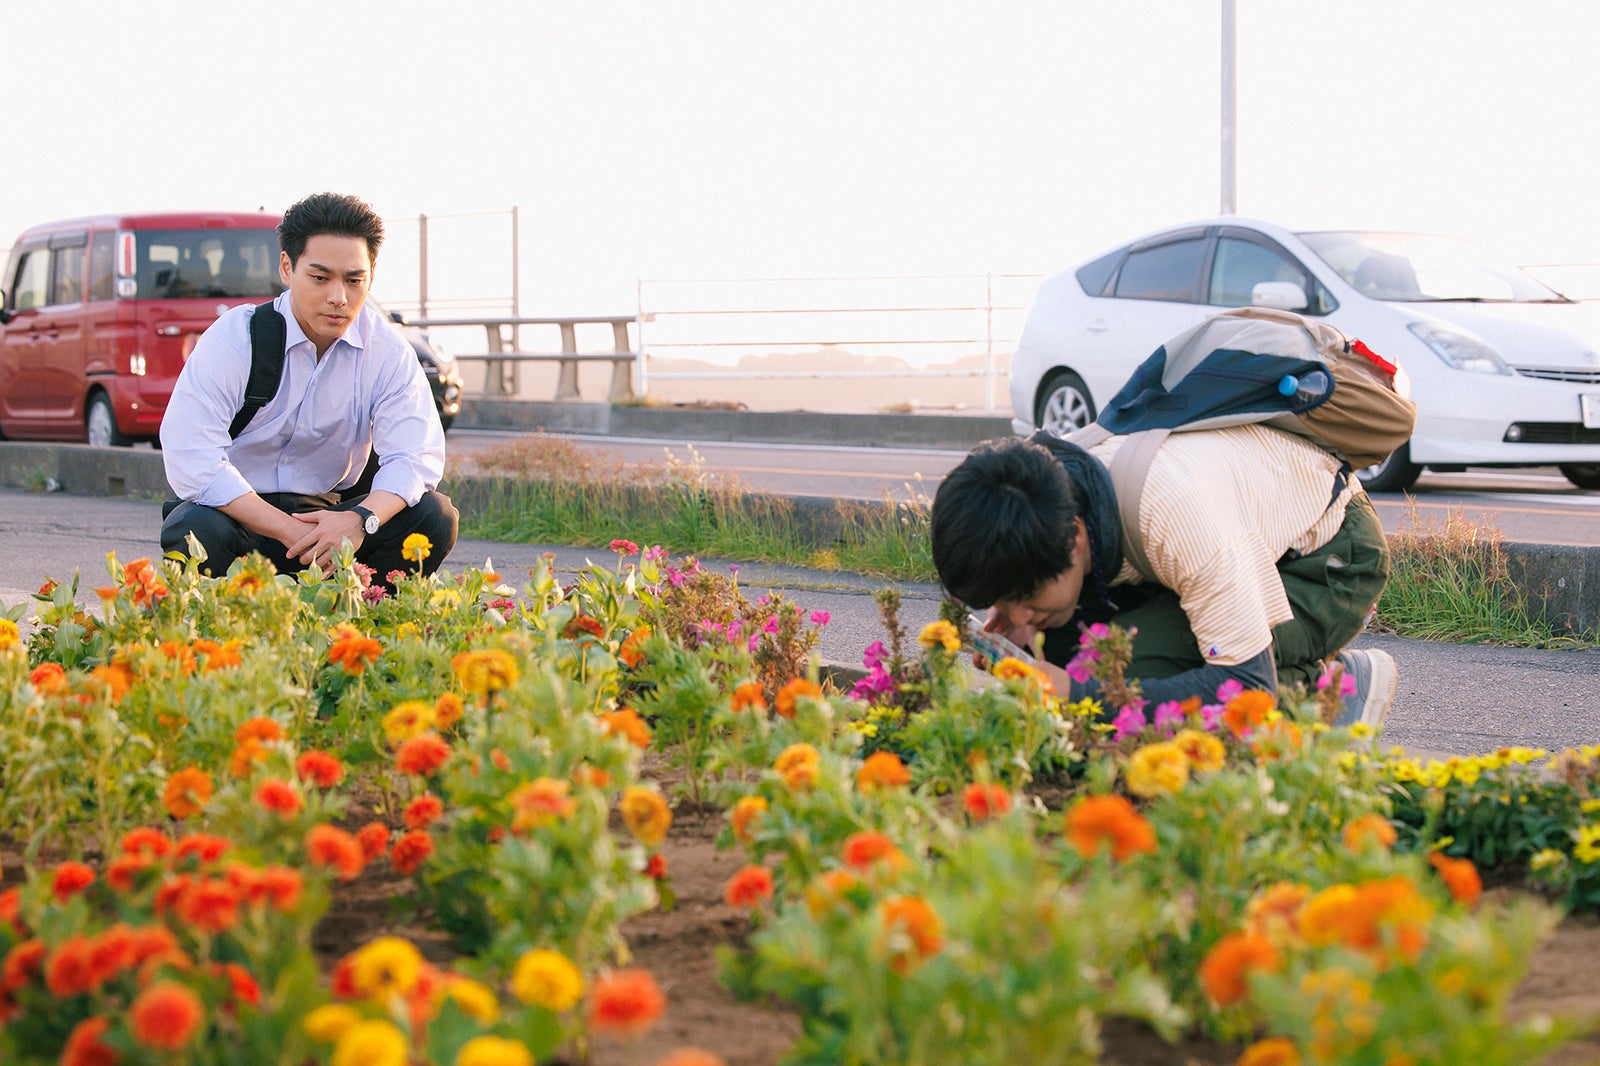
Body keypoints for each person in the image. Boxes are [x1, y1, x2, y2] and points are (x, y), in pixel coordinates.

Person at [930, 424, 1397, 726]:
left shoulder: (1175, 517)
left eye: (1023, 595)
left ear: (1073, 536)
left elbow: (1245, 685)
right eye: (1001, 601)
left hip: (1329, 561)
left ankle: (1333, 691)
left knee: (1118, 675)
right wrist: (1028, 621)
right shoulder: (1059, 486)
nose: (1014, 613)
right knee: (1070, 651)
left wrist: (1071, 689)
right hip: (1241, 538)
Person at [160, 192, 458, 584]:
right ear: (287, 268)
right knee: (193, 526)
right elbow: (192, 458)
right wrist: (291, 532)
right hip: (241, 515)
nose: (339, 297)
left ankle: (366, 618)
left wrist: (360, 520)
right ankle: (226, 628)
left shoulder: (387, 351)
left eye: (354, 280)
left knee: (435, 515)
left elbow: (415, 458)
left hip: (333, 519)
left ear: (371, 274)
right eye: (320, 278)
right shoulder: (236, 338)